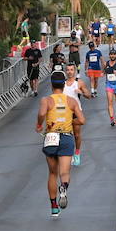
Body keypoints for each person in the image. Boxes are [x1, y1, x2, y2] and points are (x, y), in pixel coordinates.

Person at [37, 72, 85, 217]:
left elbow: (41, 114)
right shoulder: (71, 101)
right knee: (65, 172)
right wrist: (70, 121)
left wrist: (39, 124)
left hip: (51, 136)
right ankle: (63, 187)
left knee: (52, 173)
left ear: (51, 84)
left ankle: (53, 207)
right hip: (66, 137)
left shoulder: (46, 100)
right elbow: (82, 120)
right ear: (64, 84)